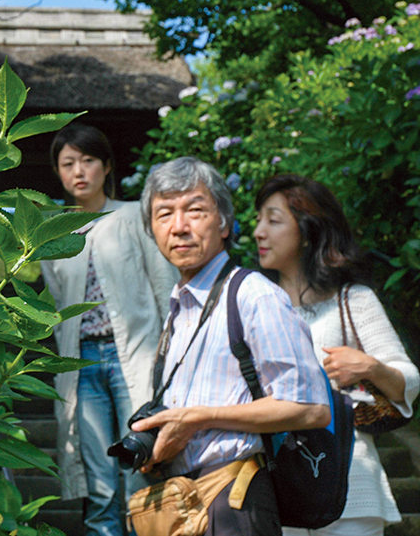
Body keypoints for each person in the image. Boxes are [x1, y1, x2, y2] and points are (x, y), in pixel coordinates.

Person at [131, 157, 331, 535]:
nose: (179, 226)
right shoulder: (179, 308)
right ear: (151, 230)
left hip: (234, 498)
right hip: (184, 499)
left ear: (224, 223)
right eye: (164, 214)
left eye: (195, 211)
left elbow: (311, 408)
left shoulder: (253, 295)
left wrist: (199, 418)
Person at [253, 174, 419, 536]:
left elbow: (409, 378)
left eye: (273, 220)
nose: (258, 232)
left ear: (307, 231)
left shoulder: (353, 299)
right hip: (281, 490)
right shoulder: (254, 306)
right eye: (258, 220)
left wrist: (369, 367)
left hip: (351, 485)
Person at [40, 125, 177, 536]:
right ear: (58, 172)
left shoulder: (134, 215)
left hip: (136, 355)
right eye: (68, 163)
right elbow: (57, 306)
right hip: (81, 364)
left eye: (88, 160)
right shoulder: (55, 230)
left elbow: (165, 286)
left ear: (106, 166)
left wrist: (170, 354)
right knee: (99, 480)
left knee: (139, 466)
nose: (79, 171)